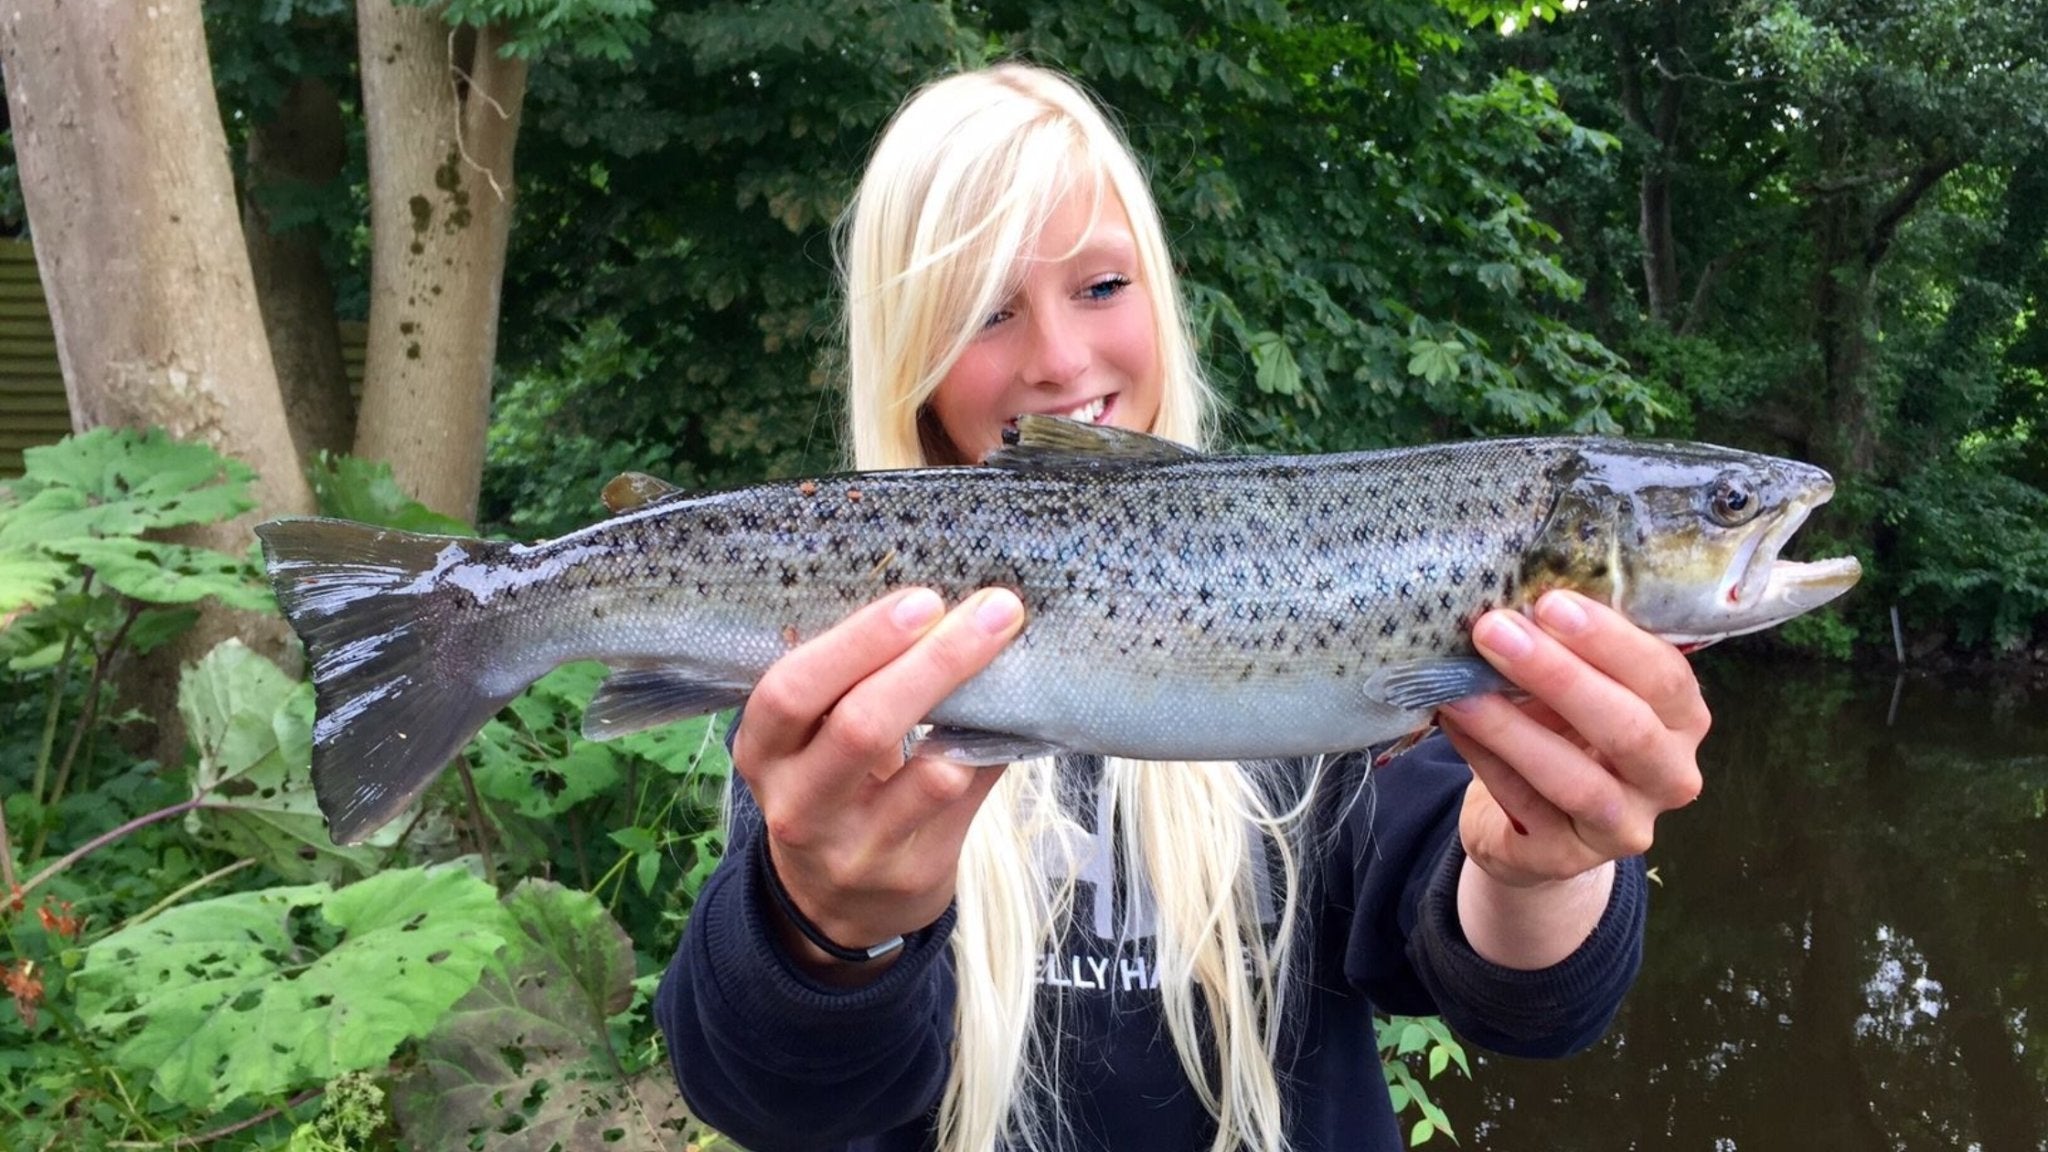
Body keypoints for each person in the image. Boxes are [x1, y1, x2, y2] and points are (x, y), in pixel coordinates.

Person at [655, 62, 1707, 1152]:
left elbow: (1516, 993)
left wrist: (1543, 861)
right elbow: (764, 1097)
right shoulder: (843, 671)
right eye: (985, 312)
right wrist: (829, 930)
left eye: (1101, 288)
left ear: (1160, 293)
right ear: (907, 356)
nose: (1060, 360)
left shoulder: (1328, 570)